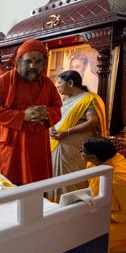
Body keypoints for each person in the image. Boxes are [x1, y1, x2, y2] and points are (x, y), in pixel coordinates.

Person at [0, 39, 62, 185]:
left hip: (38, 142)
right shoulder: (4, 81)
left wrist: (47, 113)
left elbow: (57, 108)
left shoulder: (47, 83)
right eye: (28, 61)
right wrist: (22, 116)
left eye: (39, 61)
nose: (33, 66)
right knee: (11, 184)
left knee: (38, 183)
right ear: (18, 61)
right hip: (13, 144)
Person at [48, 70, 106, 202]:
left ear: (70, 83)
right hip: (57, 144)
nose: (57, 86)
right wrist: (52, 128)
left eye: (60, 83)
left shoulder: (88, 99)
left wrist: (67, 132)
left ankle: (72, 208)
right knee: (55, 178)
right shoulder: (63, 100)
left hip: (75, 149)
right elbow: (55, 117)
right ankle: (55, 207)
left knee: (71, 180)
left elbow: (93, 122)